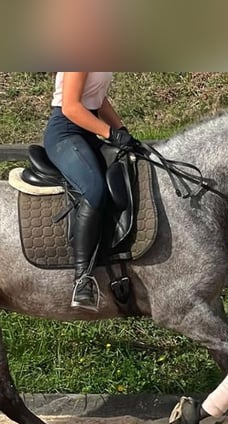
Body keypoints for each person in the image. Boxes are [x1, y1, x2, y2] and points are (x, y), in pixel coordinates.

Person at [43, 72, 139, 310]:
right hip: (66, 132)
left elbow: (98, 98)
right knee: (93, 189)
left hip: (89, 131)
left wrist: (123, 130)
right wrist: (109, 133)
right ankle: (82, 278)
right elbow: (71, 107)